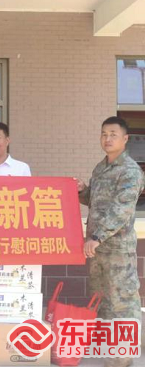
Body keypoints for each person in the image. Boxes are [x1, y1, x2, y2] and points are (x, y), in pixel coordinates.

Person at [76, 116, 143, 367]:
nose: (107, 138)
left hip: (117, 251)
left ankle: (122, 359)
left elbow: (121, 209)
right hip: (97, 251)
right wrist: (83, 190)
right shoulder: (100, 168)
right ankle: (109, 352)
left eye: (113, 134)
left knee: (121, 302)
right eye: (104, 134)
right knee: (101, 300)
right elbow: (95, 200)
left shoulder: (130, 171)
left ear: (125, 139)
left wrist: (97, 236)